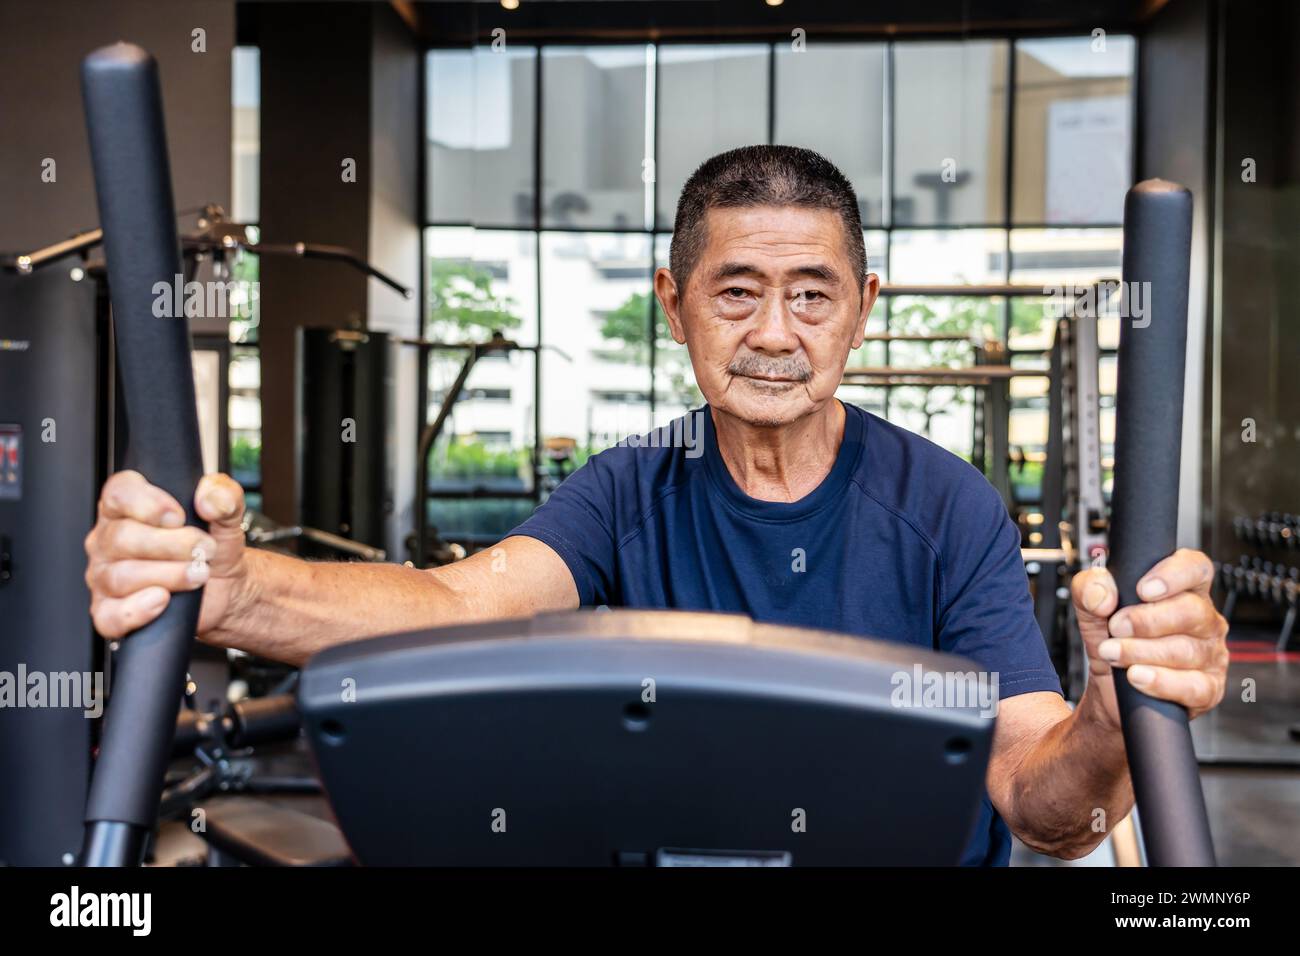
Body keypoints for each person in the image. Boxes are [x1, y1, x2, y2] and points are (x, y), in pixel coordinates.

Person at [83, 145, 1228, 865]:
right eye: (736, 291)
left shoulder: (949, 506)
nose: (774, 333)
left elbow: (1038, 801)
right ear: (674, 306)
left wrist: (1111, 712)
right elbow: (454, 603)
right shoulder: (633, 484)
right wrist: (234, 589)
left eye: (810, 294)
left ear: (862, 308)